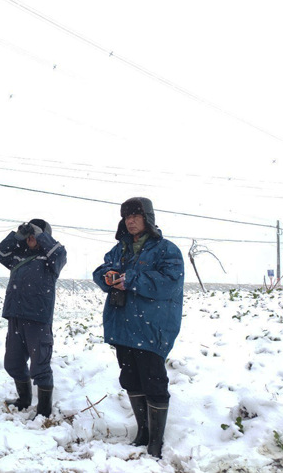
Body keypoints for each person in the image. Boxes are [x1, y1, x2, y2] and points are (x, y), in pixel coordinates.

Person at [92, 197, 184, 459]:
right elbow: (101, 270)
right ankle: (143, 432)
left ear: (148, 218)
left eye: (136, 216)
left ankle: (156, 441)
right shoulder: (119, 249)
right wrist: (107, 276)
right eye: (126, 217)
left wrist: (129, 279)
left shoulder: (166, 250)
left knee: (154, 382)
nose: (130, 221)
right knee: (131, 379)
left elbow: (169, 283)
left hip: (151, 327)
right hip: (123, 326)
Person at [0, 219, 67, 418]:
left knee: (40, 366)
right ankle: (24, 400)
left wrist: (41, 235)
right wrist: (17, 236)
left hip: (38, 318)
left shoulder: (50, 259)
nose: (31, 238)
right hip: (15, 317)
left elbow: (60, 254)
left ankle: (44, 411)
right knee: (13, 363)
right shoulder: (17, 256)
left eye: (34, 234)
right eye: (29, 235)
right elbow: (0, 253)